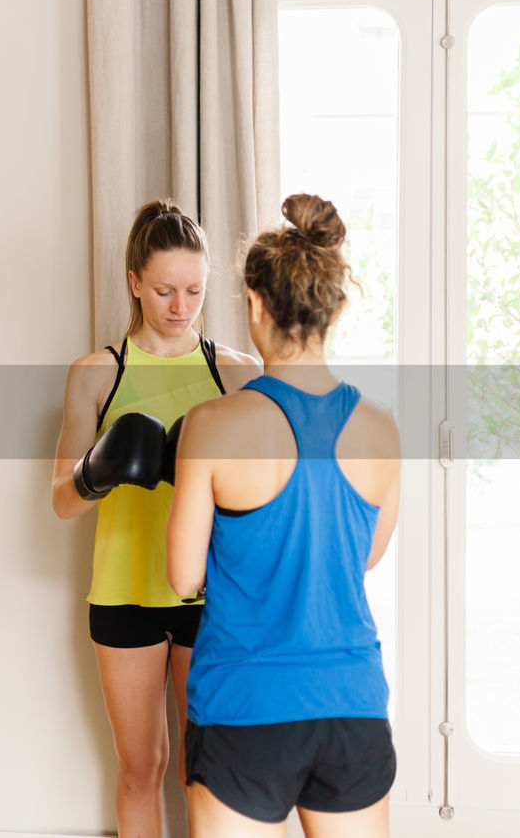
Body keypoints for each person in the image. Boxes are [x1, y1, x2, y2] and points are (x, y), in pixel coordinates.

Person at [166, 194, 401, 837]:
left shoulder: (210, 425)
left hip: (244, 708)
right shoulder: (381, 430)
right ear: (338, 308)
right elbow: (367, 554)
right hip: (351, 704)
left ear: (253, 305)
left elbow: (183, 578)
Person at [52, 199, 260, 837]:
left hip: (212, 594)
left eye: (194, 290)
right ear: (134, 282)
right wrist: (99, 469)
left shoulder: (236, 373)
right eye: (164, 289)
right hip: (124, 593)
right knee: (141, 768)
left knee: (207, 769)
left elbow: (261, 492)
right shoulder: (97, 374)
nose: (180, 306)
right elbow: (60, 500)